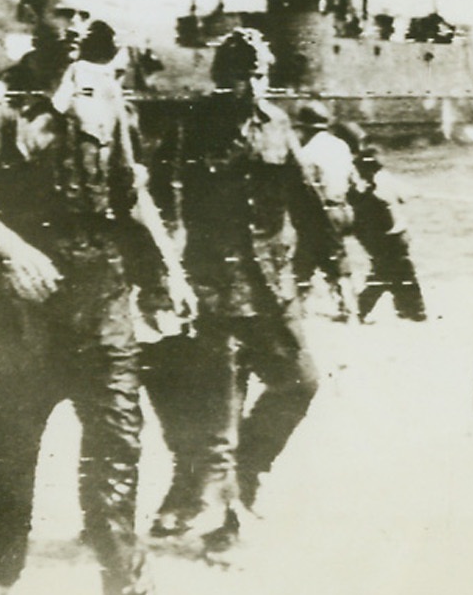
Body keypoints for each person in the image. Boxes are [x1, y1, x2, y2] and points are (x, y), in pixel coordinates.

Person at [0, 0, 192, 595]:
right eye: (64, 12)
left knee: (116, 459)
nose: (78, 26)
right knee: (13, 473)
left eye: (86, 13)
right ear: (33, 14)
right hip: (25, 312)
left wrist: (169, 268)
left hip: (103, 302)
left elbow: (131, 190)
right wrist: (12, 252)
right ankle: (6, 573)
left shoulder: (105, 94)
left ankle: (123, 582)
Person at [145, 27, 335, 555]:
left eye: (259, 74)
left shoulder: (276, 124)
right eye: (241, 74)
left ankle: (243, 476)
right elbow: (155, 201)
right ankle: (222, 521)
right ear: (221, 77)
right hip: (212, 289)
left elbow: (303, 195)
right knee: (217, 416)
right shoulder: (190, 127)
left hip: (272, 286)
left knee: (301, 383)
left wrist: (335, 263)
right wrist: (160, 274)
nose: (251, 85)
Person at [332, 127, 427, 323]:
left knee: (389, 273)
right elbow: (408, 194)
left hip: (372, 239)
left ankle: (405, 310)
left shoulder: (357, 186)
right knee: (395, 274)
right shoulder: (383, 181)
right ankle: (410, 311)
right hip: (393, 237)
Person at [291, 100, 358, 320]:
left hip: (320, 211)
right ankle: (343, 306)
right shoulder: (341, 145)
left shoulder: (307, 152)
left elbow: (307, 187)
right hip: (342, 208)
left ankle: (342, 308)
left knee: (308, 261)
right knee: (331, 256)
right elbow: (352, 178)